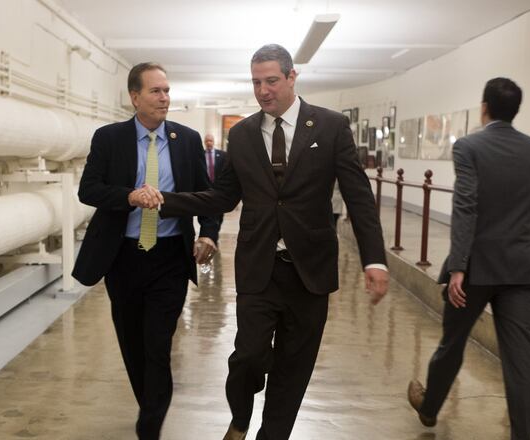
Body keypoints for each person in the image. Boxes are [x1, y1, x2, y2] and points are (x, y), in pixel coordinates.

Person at [138, 44, 389, 440]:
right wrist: (165, 200)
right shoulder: (242, 135)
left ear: (292, 77)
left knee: (293, 369)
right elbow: (222, 197)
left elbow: (358, 197)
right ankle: (240, 417)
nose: (263, 90)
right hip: (260, 268)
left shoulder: (330, 126)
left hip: (311, 272)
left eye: (271, 80)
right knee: (248, 358)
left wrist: (375, 260)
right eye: (256, 82)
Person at [71, 62, 218, 439]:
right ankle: (149, 404)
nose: (165, 98)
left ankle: (149, 426)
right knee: (132, 343)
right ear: (134, 97)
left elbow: (207, 197)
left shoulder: (185, 139)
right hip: (123, 258)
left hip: (170, 256)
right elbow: (88, 190)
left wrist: (208, 234)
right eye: (155, 91)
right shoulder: (109, 138)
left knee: (157, 343)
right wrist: (129, 196)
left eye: (167, 90)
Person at [407, 77, 530, 440]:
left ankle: (429, 409)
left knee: (452, 343)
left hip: (475, 267)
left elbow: (466, 206)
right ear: (515, 110)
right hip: (522, 267)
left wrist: (459, 265)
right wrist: (518, 235)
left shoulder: (470, 147)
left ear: (484, 107)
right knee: (522, 359)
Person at [204, 133, 227, 238]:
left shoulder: (222, 155)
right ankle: (211, 233)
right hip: (206, 188)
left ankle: (216, 229)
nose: (209, 143)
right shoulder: (200, 154)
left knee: (220, 212)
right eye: (207, 141)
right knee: (208, 211)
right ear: (204, 142)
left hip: (219, 188)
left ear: (213, 142)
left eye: (210, 141)